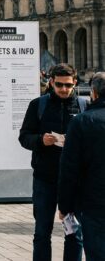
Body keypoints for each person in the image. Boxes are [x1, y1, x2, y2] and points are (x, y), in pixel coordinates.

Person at [19, 63, 85, 261]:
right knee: (42, 233)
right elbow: (24, 137)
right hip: (45, 179)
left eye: (68, 85)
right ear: (51, 82)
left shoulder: (83, 106)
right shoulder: (38, 105)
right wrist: (41, 140)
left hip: (75, 182)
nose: (64, 89)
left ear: (75, 82)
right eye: (59, 85)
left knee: (74, 233)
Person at [58, 72, 105, 260]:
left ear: (93, 93)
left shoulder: (82, 121)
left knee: (97, 253)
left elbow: (69, 169)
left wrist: (64, 205)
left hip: (94, 202)